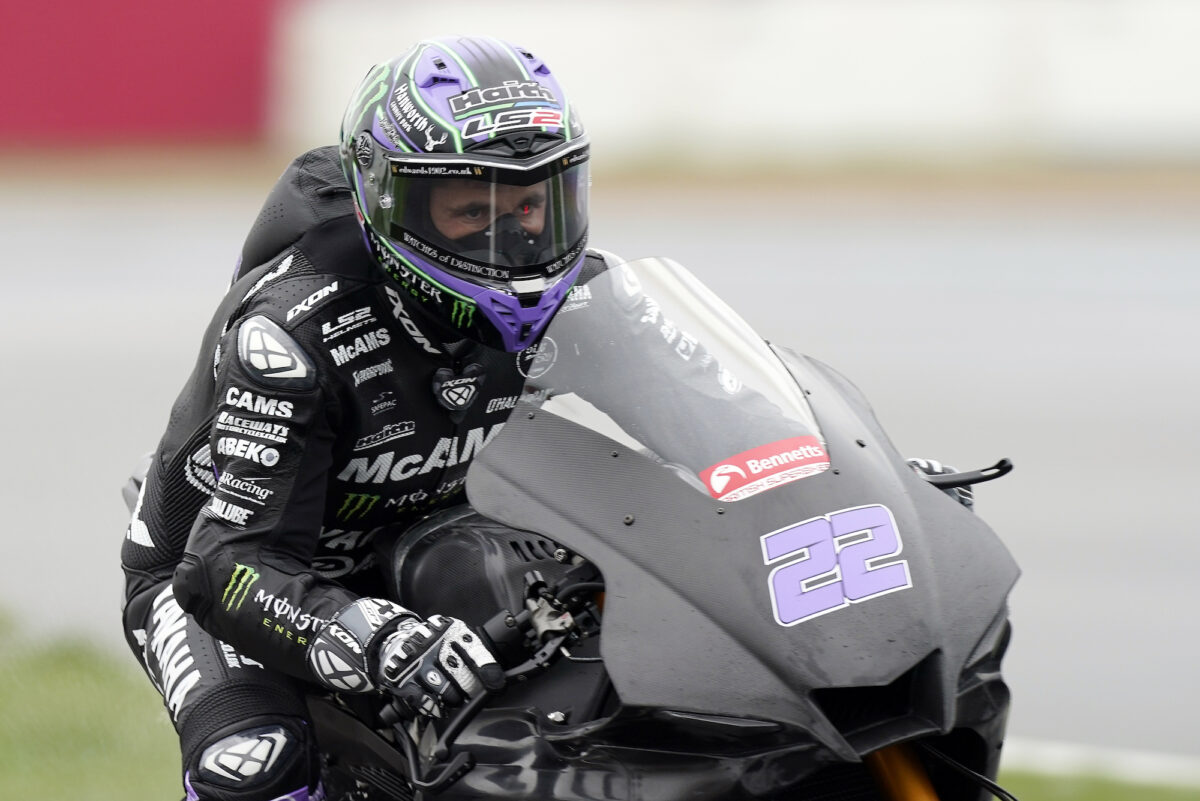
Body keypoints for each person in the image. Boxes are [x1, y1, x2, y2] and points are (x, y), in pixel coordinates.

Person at [119, 35, 608, 801]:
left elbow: (717, 418)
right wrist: (375, 637)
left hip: (429, 538)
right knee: (255, 767)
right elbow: (226, 567)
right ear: (390, 201)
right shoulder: (295, 328)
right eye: (469, 209)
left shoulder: (586, 291)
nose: (511, 239)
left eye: (528, 203)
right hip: (233, 574)